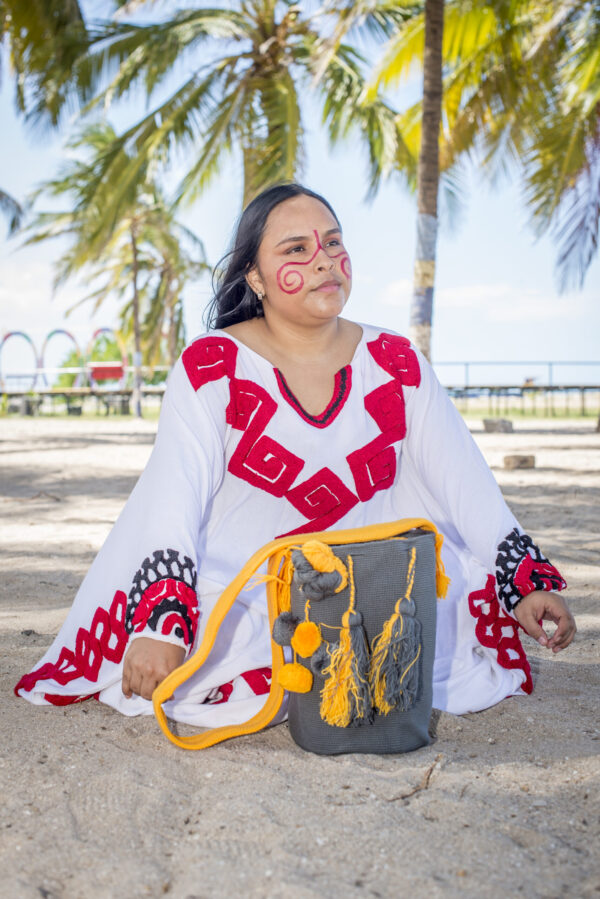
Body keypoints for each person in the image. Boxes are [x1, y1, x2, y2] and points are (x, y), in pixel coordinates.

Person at [16, 183, 575, 725]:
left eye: (333, 243)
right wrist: (163, 623)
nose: (324, 261)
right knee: (223, 639)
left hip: (370, 585)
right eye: (297, 250)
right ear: (255, 277)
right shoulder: (213, 365)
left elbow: (465, 481)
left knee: (445, 605)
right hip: (241, 582)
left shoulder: (398, 362)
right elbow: (173, 495)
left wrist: (525, 582)